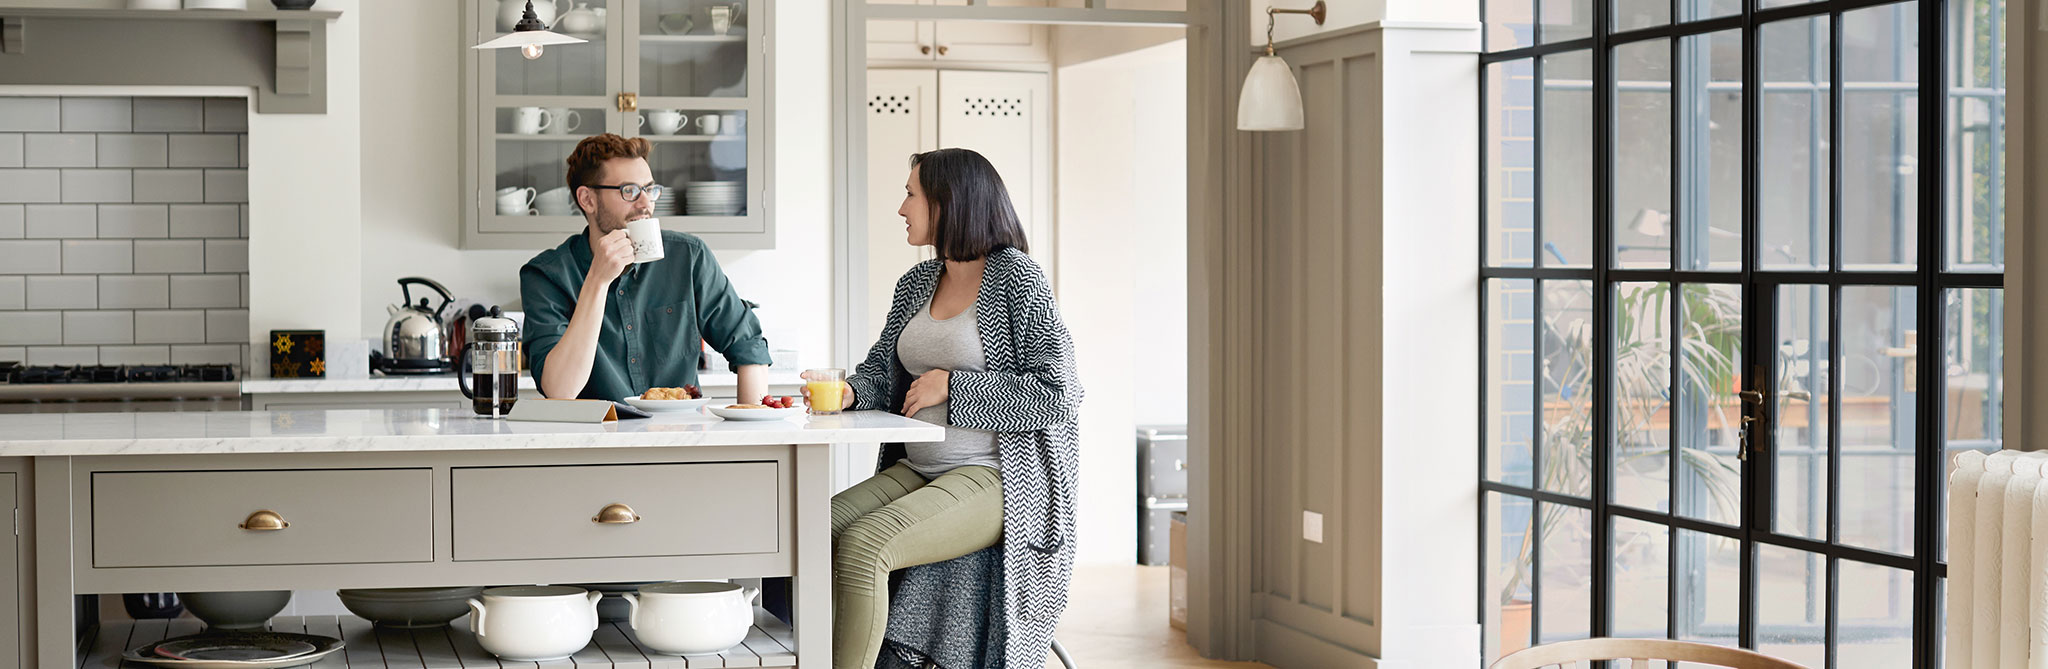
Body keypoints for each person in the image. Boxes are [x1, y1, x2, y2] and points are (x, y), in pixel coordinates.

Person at [804, 148, 1081, 668]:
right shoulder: (915, 283)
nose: (901, 208)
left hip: (997, 476)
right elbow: (882, 368)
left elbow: (1060, 392)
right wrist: (849, 392)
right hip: (919, 466)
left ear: (947, 202)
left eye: (911, 194)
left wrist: (954, 388)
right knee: (809, 532)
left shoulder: (1017, 280)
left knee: (865, 546)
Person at [519, 134, 771, 402]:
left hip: (680, 435)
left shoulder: (688, 256)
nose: (645, 204)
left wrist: (749, 424)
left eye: (649, 190)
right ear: (587, 199)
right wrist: (598, 280)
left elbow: (748, 346)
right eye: (629, 191)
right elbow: (559, 391)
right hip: (595, 439)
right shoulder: (546, 276)